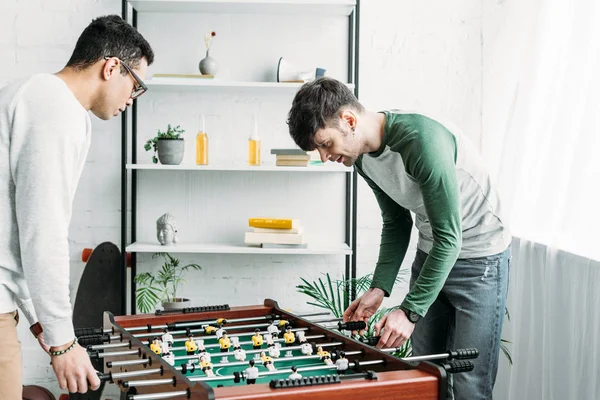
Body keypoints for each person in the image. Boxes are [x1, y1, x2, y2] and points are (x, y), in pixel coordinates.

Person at [287, 77, 511, 399]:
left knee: (468, 385)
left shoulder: (422, 142)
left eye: (325, 144)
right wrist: (379, 288)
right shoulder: (360, 157)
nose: (324, 157)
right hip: (433, 251)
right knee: (426, 374)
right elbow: (395, 222)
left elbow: (451, 237)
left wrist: (408, 312)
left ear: (349, 121)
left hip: (481, 259)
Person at [0, 15, 153, 397]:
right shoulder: (55, 108)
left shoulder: (32, 93)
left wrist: (40, 322)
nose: (131, 99)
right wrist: (64, 343)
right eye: (136, 86)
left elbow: (11, 233)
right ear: (112, 67)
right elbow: (42, 232)